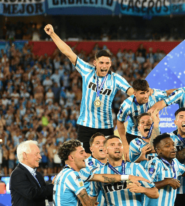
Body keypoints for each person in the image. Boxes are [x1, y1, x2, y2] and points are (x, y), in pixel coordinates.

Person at [44, 24, 133, 153]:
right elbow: (68, 52)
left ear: (110, 64)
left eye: (107, 63)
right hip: (85, 125)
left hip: (105, 126)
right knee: (84, 157)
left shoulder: (116, 79)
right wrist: (52, 33)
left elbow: (131, 92)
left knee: (105, 159)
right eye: (101, 62)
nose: (104, 66)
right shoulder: (87, 70)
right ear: (95, 63)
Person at [117, 79, 170, 159]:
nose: (146, 96)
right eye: (142, 93)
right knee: (131, 160)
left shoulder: (154, 95)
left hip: (152, 132)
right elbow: (120, 122)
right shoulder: (126, 105)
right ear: (135, 93)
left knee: (157, 158)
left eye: (147, 92)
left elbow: (169, 93)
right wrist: (125, 144)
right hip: (133, 134)